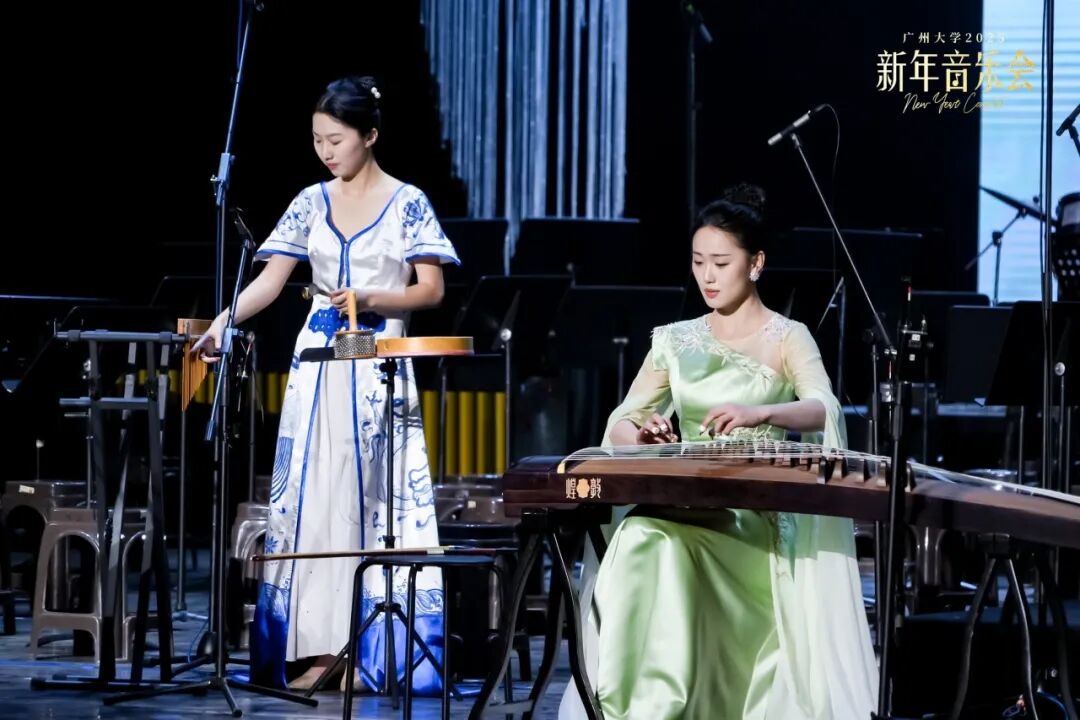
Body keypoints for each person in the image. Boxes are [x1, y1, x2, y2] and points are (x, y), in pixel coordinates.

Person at [559, 184, 877, 719]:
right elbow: (620, 420)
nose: (707, 276)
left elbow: (824, 408)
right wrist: (644, 435)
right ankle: (636, 706)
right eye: (698, 261)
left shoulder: (787, 336)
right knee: (641, 535)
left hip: (753, 514)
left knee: (658, 544)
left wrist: (762, 413)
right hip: (684, 500)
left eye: (721, 263)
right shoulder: (675, 340)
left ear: (756, 264)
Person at [193, 75, 459, 692]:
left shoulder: (408, 201)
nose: (325, 151)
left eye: (336, 139)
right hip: (316, 365)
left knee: (367, 501)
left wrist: (371, 296)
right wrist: (223, 323)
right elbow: (269, 280)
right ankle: (314, 646)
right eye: (317, 140)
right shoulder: (311, 200)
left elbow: (431, 290)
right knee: (313, 502)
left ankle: (365, 650)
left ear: (370, 135)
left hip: (375, 359)